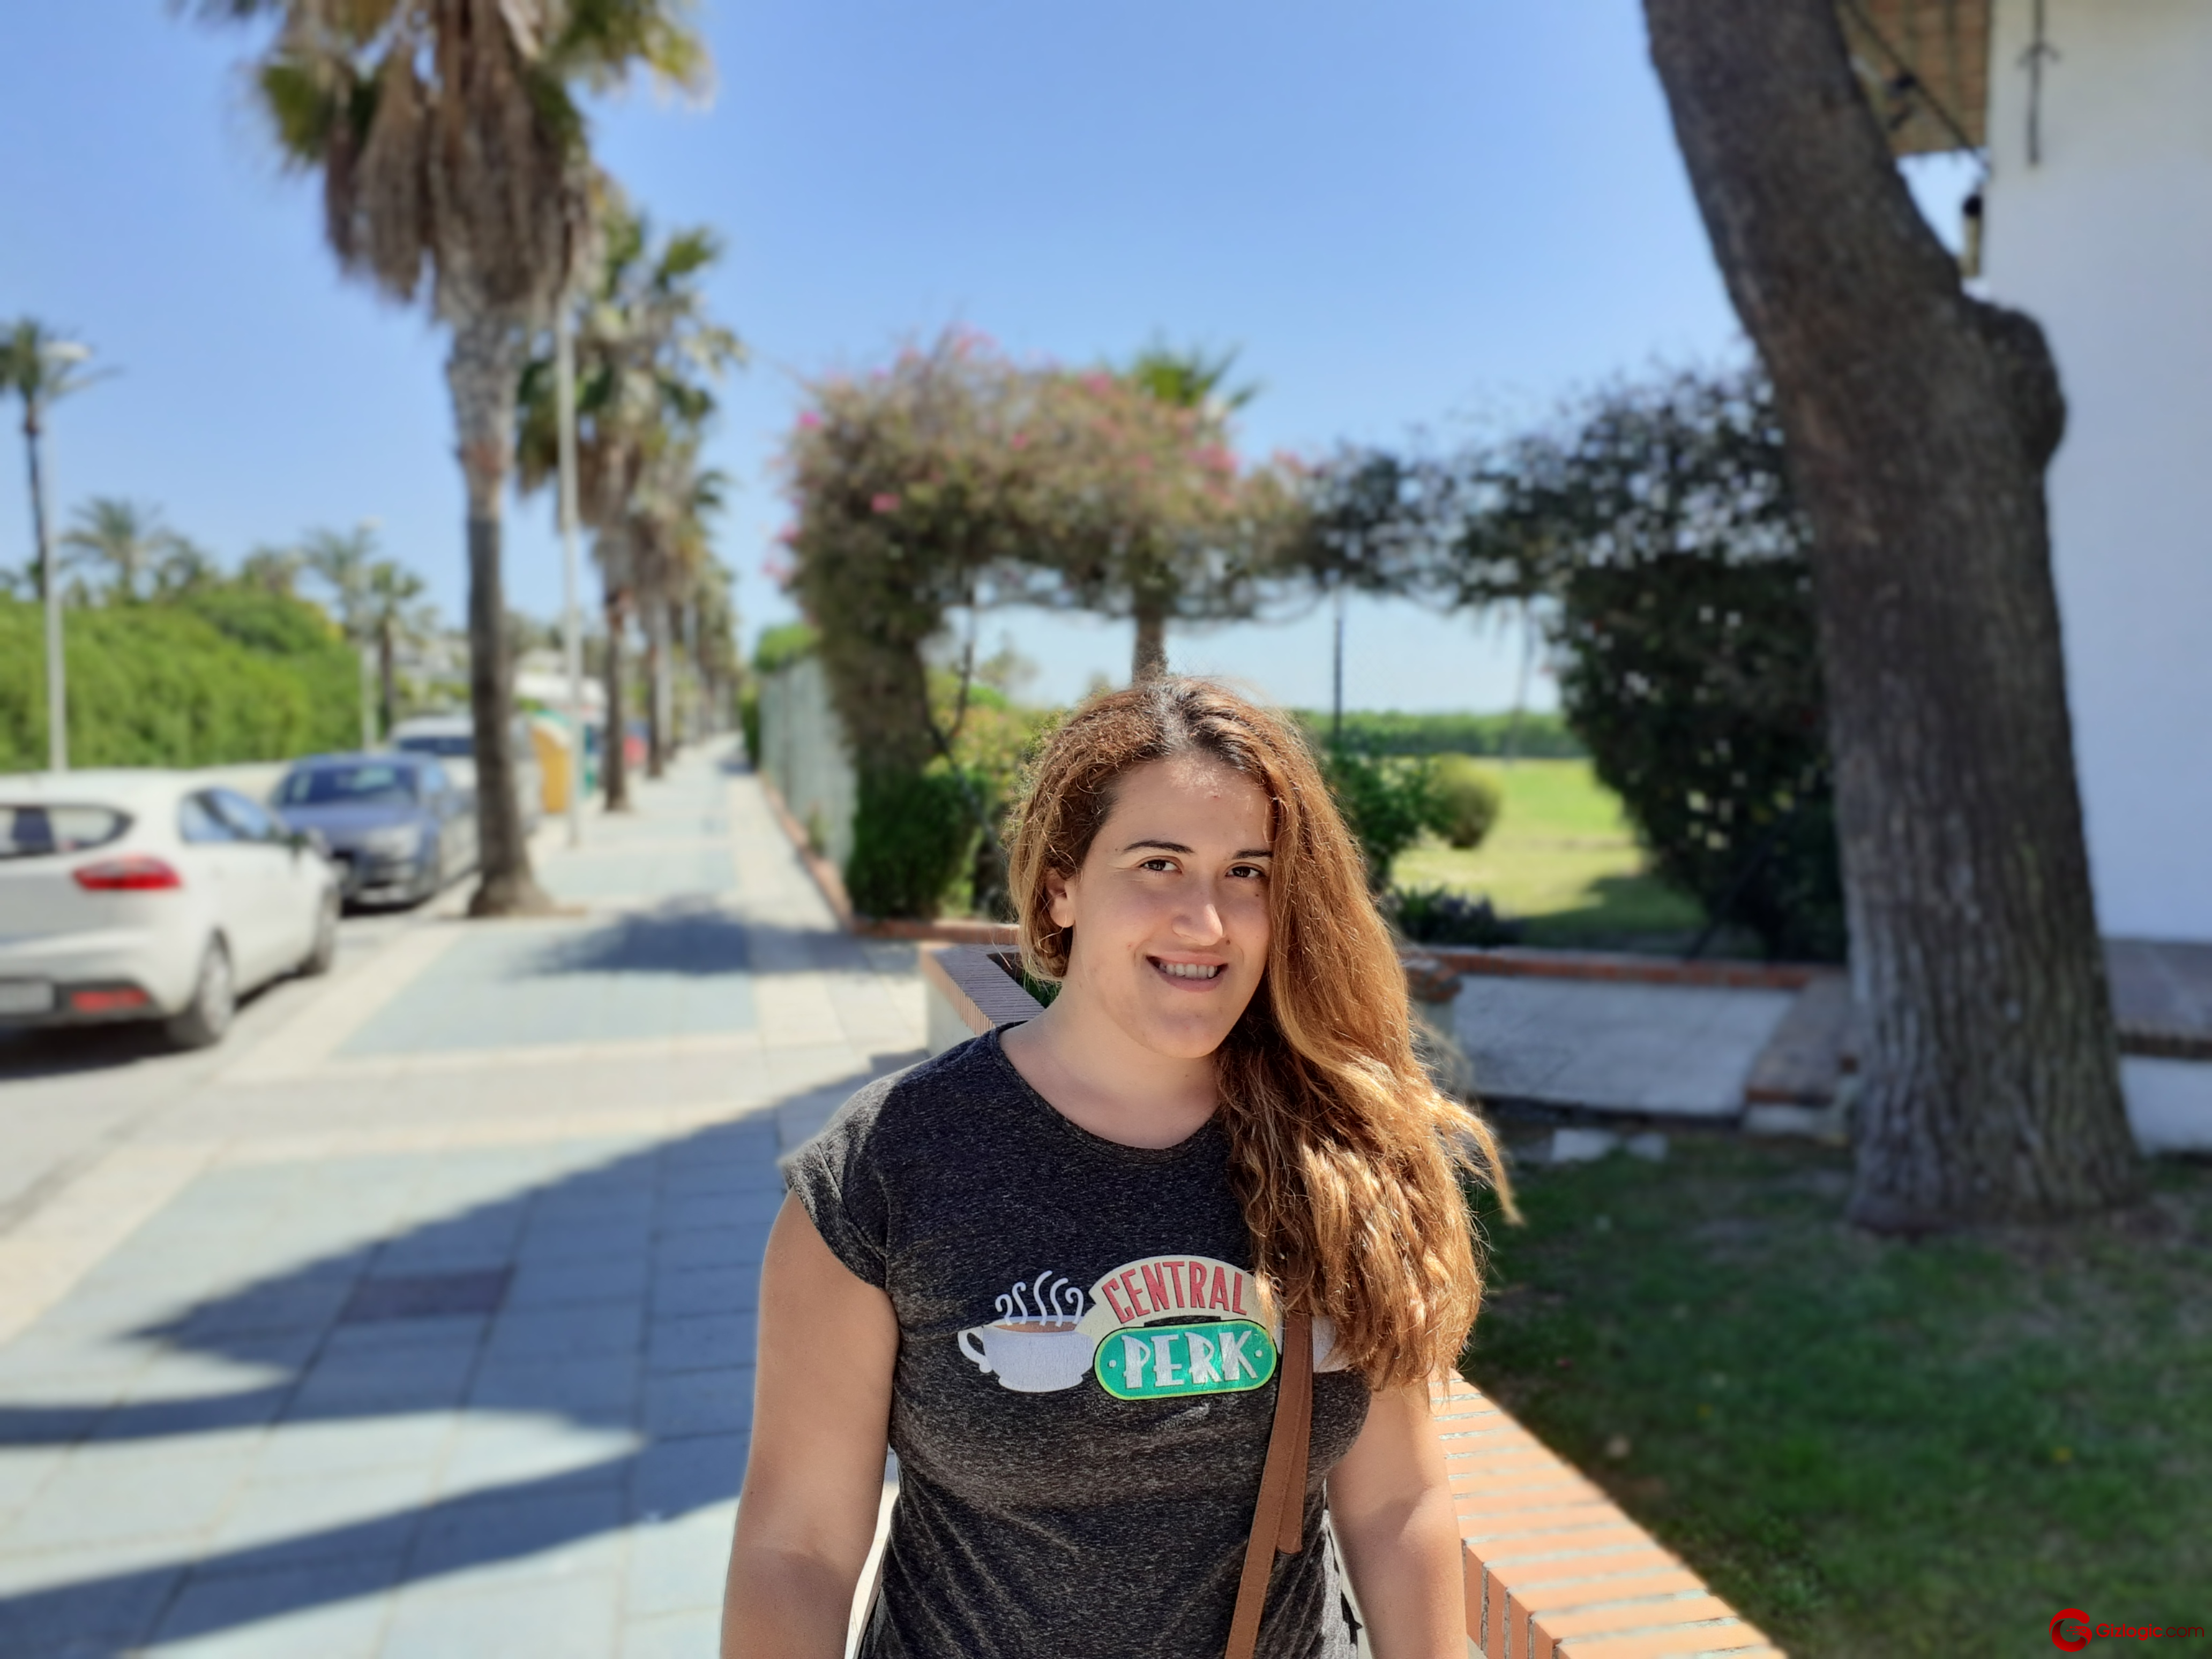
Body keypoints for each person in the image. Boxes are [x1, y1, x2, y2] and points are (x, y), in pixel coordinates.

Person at [722, 677, 1514, 1658]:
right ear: (1062, 887)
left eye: (1247, 873)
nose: (1207, 922)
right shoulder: (887, 1168)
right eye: (1158, 864)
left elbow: (1399, 1503)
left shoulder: (1340, 1157)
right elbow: (795, 1549)